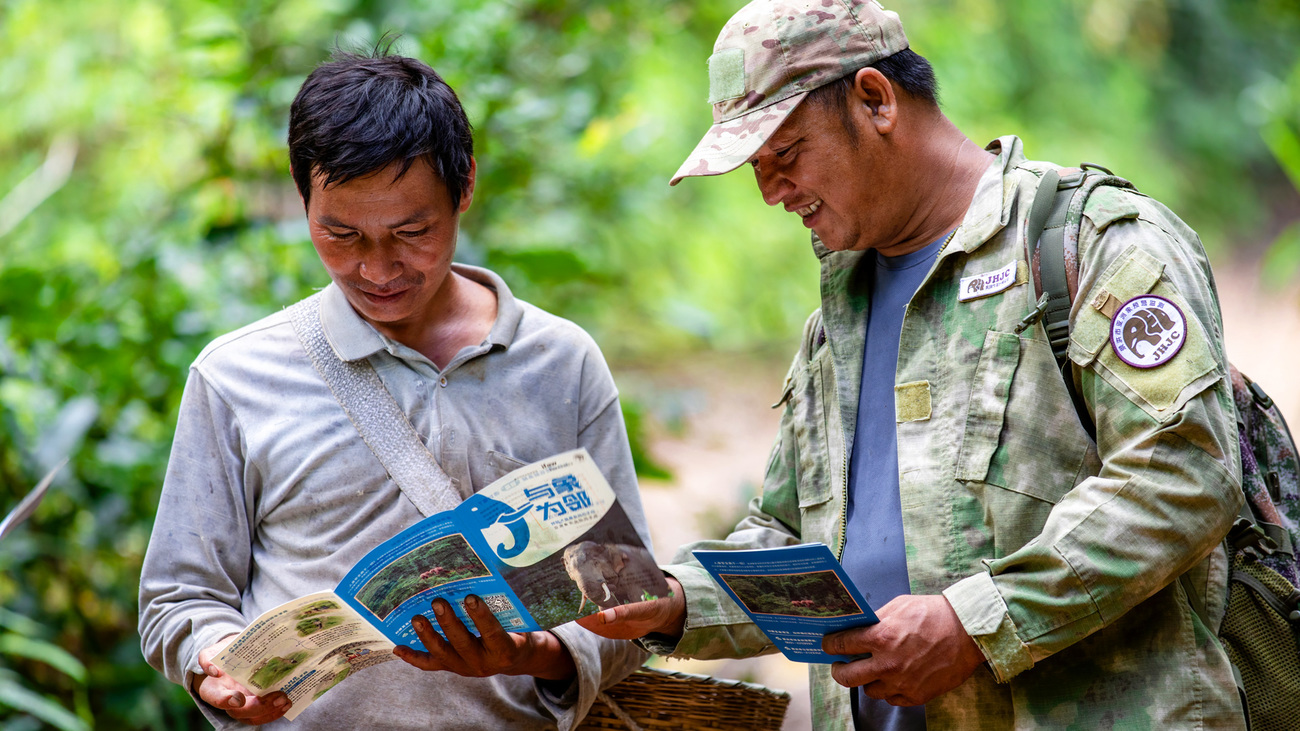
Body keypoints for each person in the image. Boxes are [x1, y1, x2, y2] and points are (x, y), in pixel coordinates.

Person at [577, 1, 1247, 728]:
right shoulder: (837, 324)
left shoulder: (1088, 245)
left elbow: (1181, 473)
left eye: (786, 152)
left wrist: (975, 623)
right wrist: (674, 598)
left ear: (875, 99)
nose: (771, 191)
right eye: (755, 169)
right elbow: (789, 541)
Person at [138, 50, 649, 729]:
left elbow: (635, 604)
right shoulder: (235, 375)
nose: (376, 268)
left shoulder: (561, 362)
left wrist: (545, 651)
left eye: (413, 232)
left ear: (463, 187)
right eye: (340, 233)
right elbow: (178, 597)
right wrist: (220, 660)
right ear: (302, 195)